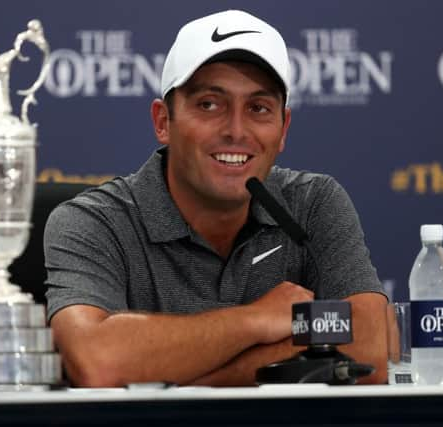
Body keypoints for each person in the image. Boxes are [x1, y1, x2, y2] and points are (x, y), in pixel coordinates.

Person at [44, 10, 388, 387]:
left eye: (258, 108)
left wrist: (183, 379)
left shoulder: (313, 204)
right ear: (163, 121)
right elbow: (97, 361)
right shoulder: (94, 222)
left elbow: (372, 347)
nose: (236, 131)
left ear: (283, 128)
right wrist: (256, 319)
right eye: (209, 104)